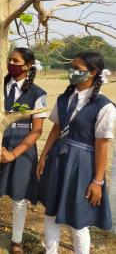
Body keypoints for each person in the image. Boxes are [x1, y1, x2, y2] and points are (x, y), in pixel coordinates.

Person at [37, 51, 116, 254]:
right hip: (58, 160)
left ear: (93, 72)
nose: (72, 72)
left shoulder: (104, 105)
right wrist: (44, 156)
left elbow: (102, 144)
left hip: (82, 165)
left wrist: (97, 181)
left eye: (77, 69)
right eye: (71, 67)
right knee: (51, 212)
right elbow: (56, 128)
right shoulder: (65, 98)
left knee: (78, 220)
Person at [0, 47, 47, 254]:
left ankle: (16, 240)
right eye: (9, 59)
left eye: (15, 60)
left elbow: (37, 131)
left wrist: (13, 153)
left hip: (23, 149)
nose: (11, 63)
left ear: (27, 66)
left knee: (19, 198)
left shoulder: (38, 93)